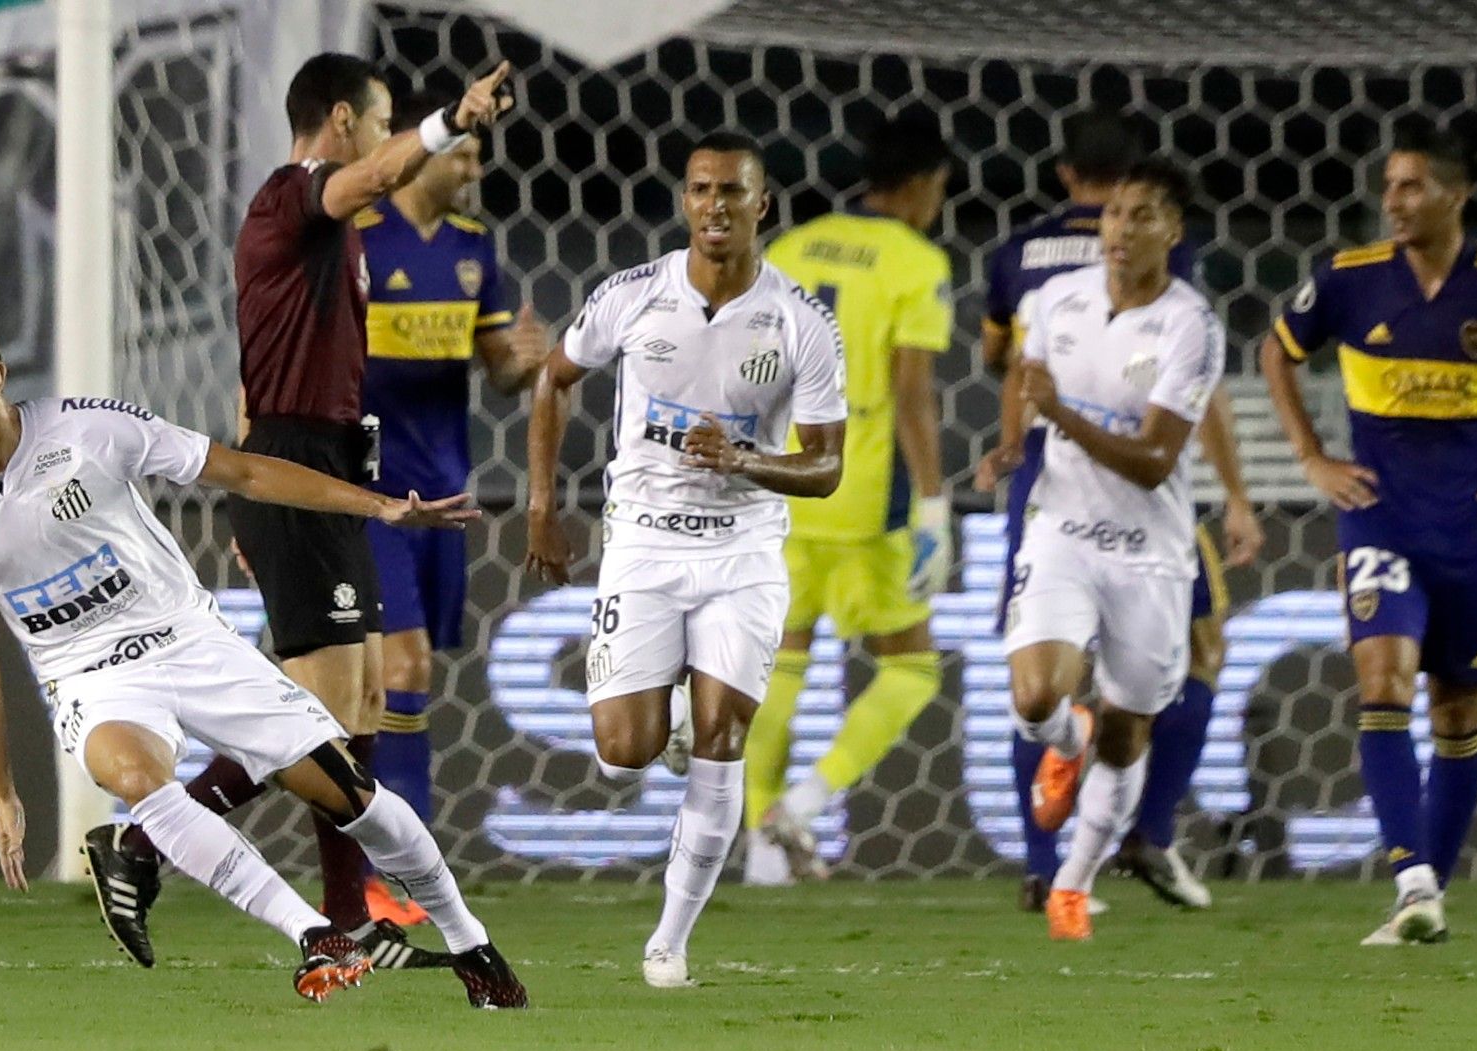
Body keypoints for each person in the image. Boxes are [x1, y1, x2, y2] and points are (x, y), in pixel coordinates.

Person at [0, 309, 525, 1006]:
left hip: (191, 640)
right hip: (88, 676)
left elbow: (246, 473)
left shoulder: (92, 429)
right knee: (136, 777)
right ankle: (317, 935)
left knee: (353, 800)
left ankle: (473, 945)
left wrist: (377, 509)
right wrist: (2, 793)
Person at [86, 55, 514, 968]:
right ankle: (140, 842)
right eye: (385, 118)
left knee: (358, 704)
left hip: (311, 469)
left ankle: (345, 909)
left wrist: (257, 499)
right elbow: (379, 175)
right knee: (314, 721)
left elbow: (253, 361)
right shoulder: (293, 197)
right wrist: (452, 120)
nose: (393, 139)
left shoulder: (332, 240)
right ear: (346, 118)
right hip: (292, 461)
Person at [1259, 118, 1477, 945]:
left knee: (1457, 711)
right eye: (1388, 186)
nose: (1393, 201)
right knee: (1381, 681)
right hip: (1378, 517)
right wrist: (1311, 456)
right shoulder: (1349, 281)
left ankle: (1425, 900)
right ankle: (1410, 875)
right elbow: (1278, 353)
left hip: (1473, 528)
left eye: (1411, 186)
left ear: (1458, 195)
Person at [523, 133, 848, 986]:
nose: (716, 205)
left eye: (733, 192)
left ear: (762, 204)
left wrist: (746, 461)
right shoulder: (634, 296)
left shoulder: (801, 323)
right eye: (702, 189)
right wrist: (541, 506)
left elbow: (825, 466)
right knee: (623, 750)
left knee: (723, 737)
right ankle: (657, 711)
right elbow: (553, 379)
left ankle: (669, 940)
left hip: (744, 552)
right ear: (684, 200)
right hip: (642, 544)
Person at [974, 111, 1261, 913]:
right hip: (1060, 512)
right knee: (1045, 688)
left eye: (1140, 216)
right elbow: (1030, 376)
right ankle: (1137, 833)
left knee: (1144, 699)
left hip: (1147, 527)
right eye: (1118, 212)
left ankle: (1075, 863)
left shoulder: (1022, 257)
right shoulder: (1065, 294)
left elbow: (1012, 368)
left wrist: (1032, 428)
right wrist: (1016, 442)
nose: (1121, 229)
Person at [737, 110, 954, 885]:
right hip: (863, 489)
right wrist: (932, 502)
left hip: (786, 480)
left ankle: (761, 848)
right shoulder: (913, 260)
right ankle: (803, 802)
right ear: (925, 185)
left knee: (780, 662)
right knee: (913, 667)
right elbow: (912, 388)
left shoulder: (792, 248)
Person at [355, 96, 546, 922]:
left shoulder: (473, 251)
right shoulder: (357, 236)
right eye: (464, 157)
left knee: (406, 686)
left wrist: (529, 364)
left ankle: (390, 866)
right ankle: (397, 885)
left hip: (446, 493)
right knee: (403, 670)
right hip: (367, 489)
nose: (474, 171)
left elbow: (500, 368)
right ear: (421, 155)